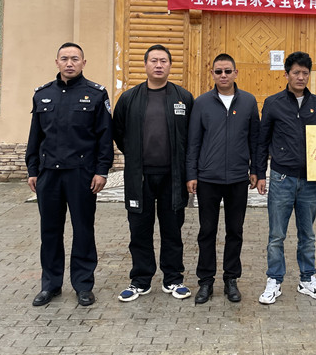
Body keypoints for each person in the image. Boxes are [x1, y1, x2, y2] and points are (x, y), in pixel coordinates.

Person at [25, 42, 113, 307]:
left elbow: (104, 137)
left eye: (75, 58)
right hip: (49, 175)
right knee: (50, 231)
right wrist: (32, 170)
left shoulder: (95, 94)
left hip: (81, 174)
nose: (69, 63)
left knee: (83, 230)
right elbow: (35, 136)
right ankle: (50, 285)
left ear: (83, 63)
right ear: (57, 62)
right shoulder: (43, 94)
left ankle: (83, 285)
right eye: (64, 58)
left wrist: (101, 171)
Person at [113, 45, 194, 302]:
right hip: (140, 178)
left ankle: (173, 279)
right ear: (145, 64)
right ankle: (140, 280)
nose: (159, 65)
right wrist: (136, 156)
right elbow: (119, 133)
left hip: (173, 177)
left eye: (163, 61)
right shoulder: (129, 98)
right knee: (139, 230)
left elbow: (191, 136)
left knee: (172, 230)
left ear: (170, 65)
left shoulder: (183, 97)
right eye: (154, 61)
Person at [255, 51, 316, 305]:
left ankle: (307, 279)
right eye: (296, 72)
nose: (301, 77)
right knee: (276, 234)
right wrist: (259, 173)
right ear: (286, 74)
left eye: (305, 73)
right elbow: (262, 140)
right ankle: (274, 280)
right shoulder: (273, 103)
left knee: (307, 235)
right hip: (281, 178)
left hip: (309, 181)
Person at [186, 53, 261, 304]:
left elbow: (255, 139)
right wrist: (191, 174)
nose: (223, 75)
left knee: (235, 231)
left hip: (238, 178)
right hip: (208, 178)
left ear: (236, 73)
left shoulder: (248, 101)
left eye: (228, 71)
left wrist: (255, 170)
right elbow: (193, 141)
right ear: (212, 74)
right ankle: (206, 281)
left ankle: (231, 279)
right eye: (218, 71)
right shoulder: (202, 103)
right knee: (207, 231)